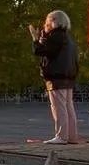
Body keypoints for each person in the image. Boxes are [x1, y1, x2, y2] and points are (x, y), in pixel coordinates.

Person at [29, 10, 80, 145]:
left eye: (47, 22)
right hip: (68, 76)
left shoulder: (56, 36)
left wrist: (35, 40)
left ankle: (62, 136)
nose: (45, 25)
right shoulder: (67, 37)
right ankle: (71, 136)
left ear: (54, 21)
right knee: (68, 107)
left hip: (56, 77)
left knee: (58, 107)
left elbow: (41, 51)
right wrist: (43, 39)